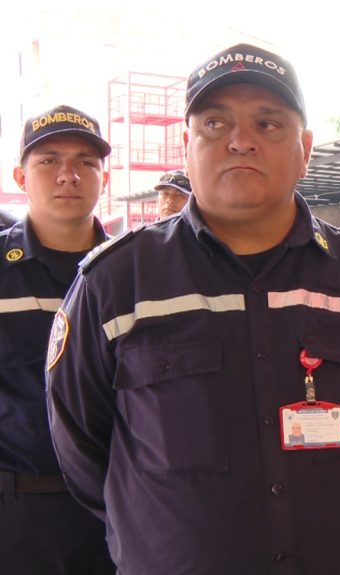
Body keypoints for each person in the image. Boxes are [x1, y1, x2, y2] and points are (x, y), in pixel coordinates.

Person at [46, 44, 340, 574]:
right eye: (216, 123)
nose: (242, 141)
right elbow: (82, 450)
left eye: (269, 124)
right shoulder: (116, 282)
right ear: (187, 146)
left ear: (305, 148)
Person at [0, 105, 115, 574]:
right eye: (48, 160)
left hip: (117, 514)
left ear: (103, 180)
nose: (69, 174)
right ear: (21, 177)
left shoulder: (131, 273)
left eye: (86, 162)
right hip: (19, 518)